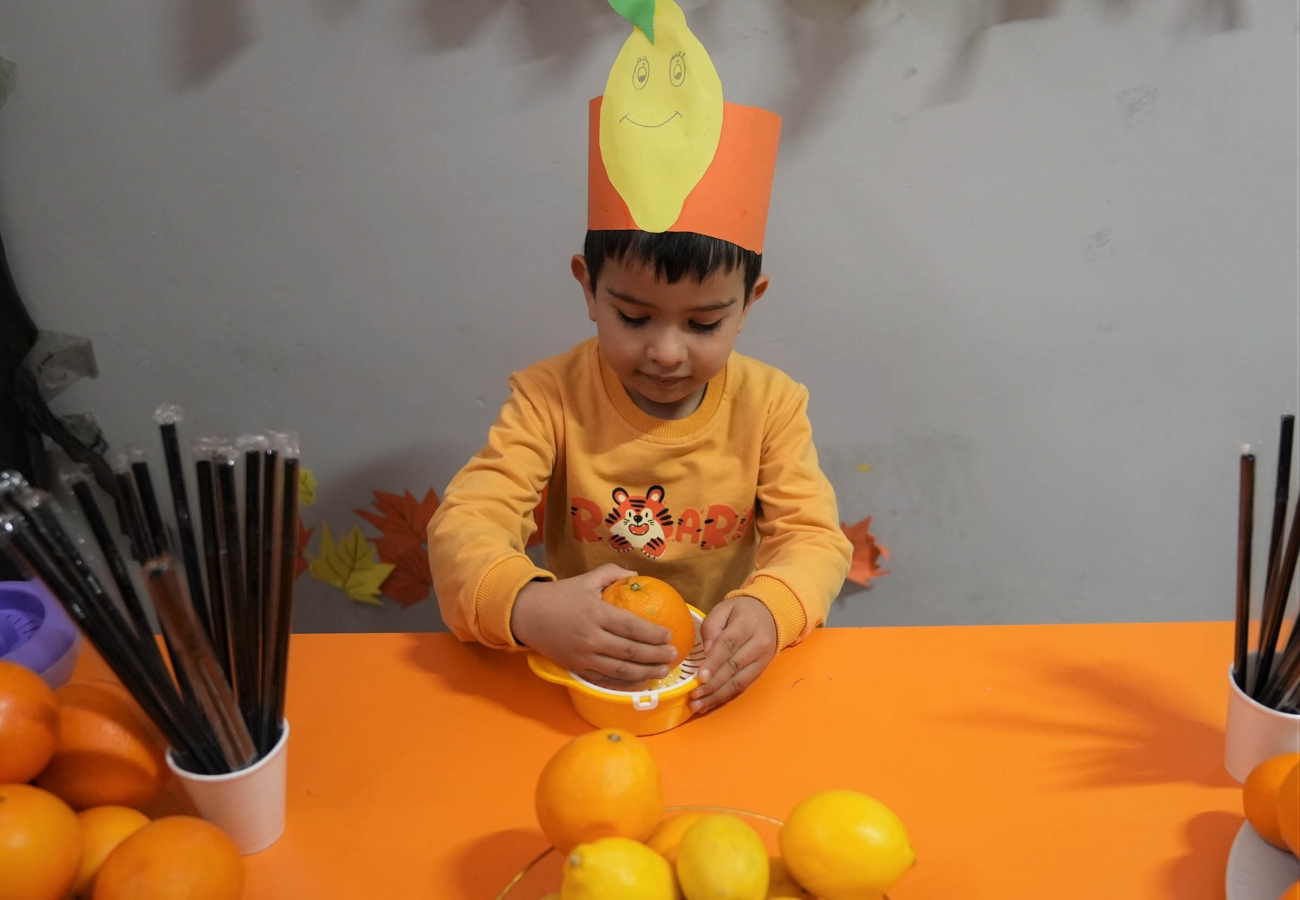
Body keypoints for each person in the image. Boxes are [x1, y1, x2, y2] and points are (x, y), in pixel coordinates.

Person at [427, 3, 852, 714]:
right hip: (585, 685)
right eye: (633, 316)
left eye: (704, 323)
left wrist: (771, 609)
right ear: (588, 288)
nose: (665, 352)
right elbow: (466, 524)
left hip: (715, 685)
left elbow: (814, 538)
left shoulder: (772, 406)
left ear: (748, 305)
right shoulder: (548, 398)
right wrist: (529, 607)